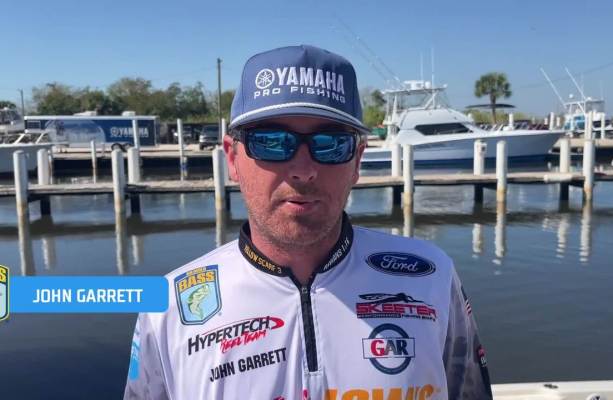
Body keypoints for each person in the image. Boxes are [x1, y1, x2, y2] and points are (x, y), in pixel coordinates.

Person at [124, 44, 493, 400]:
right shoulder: (167, 309)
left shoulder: (432, 279)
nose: (303, 170)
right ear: (232, 159)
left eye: (330, 143)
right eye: (271, 142)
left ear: (357, 161)